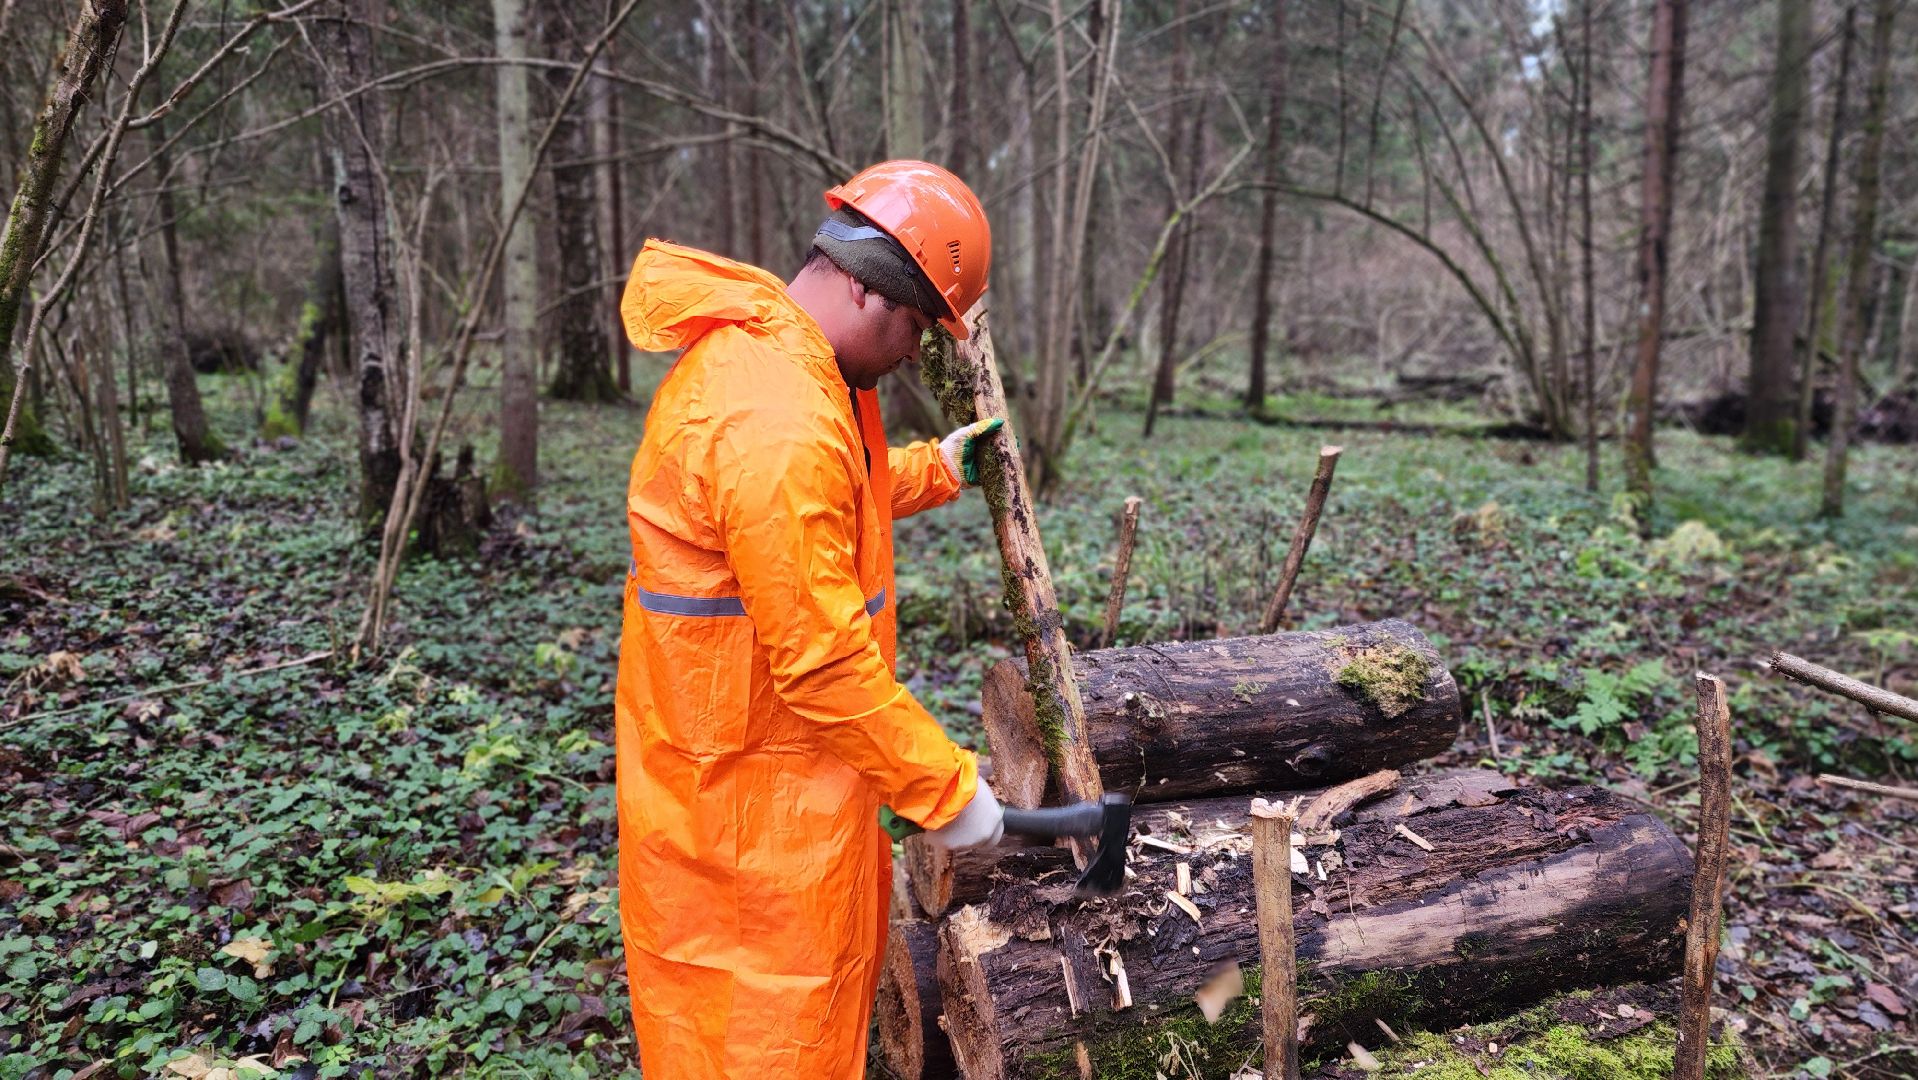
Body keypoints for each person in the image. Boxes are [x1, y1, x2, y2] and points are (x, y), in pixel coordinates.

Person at [613, 160, 1009, 1077]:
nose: (915, 352)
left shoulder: (783, 364)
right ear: (871, 291)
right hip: (748, 827)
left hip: (760, 791)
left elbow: (824, 512)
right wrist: (948, 793)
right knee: (758, 1044)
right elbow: (824, 663)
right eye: (916, 326)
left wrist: (938, 468)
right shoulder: (775, 416)